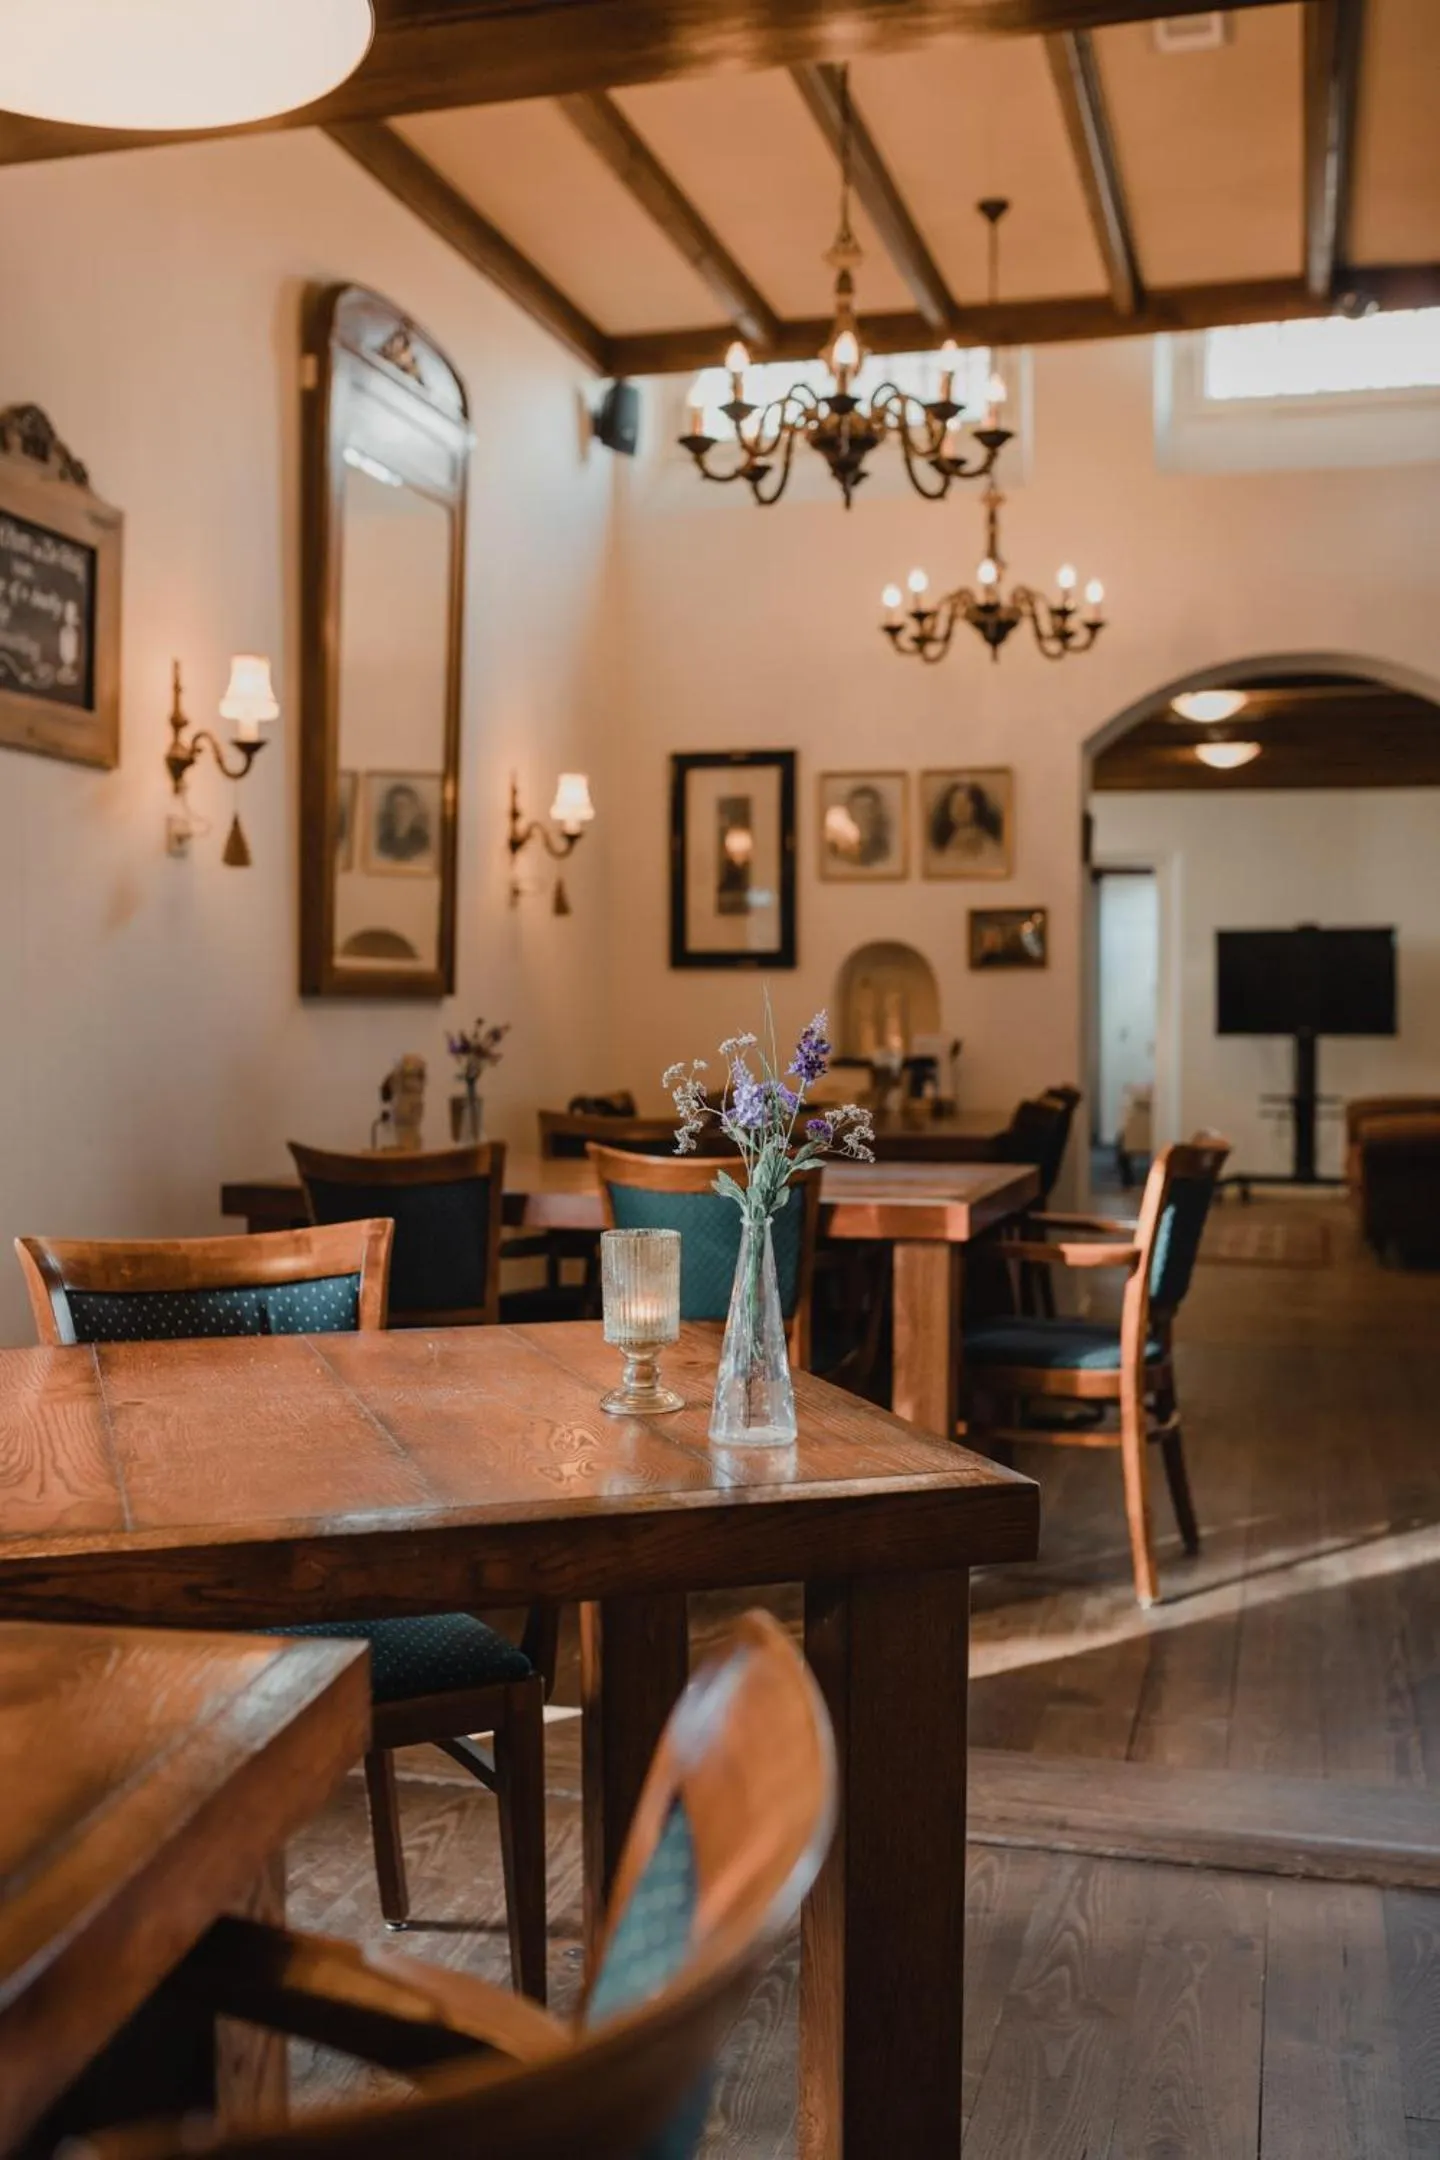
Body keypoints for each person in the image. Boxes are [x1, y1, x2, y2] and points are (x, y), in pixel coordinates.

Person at [928, 778, 1005, 867]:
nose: (959, 809)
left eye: (965, 803)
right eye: (955, 804)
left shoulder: (985, 842)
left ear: (976, 807)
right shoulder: (949, 841)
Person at [376, 781, 432, 865]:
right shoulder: (383, 843)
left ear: (414, 810)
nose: (400, 811)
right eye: (396, 806)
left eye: (405, 806)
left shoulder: (422, 842)